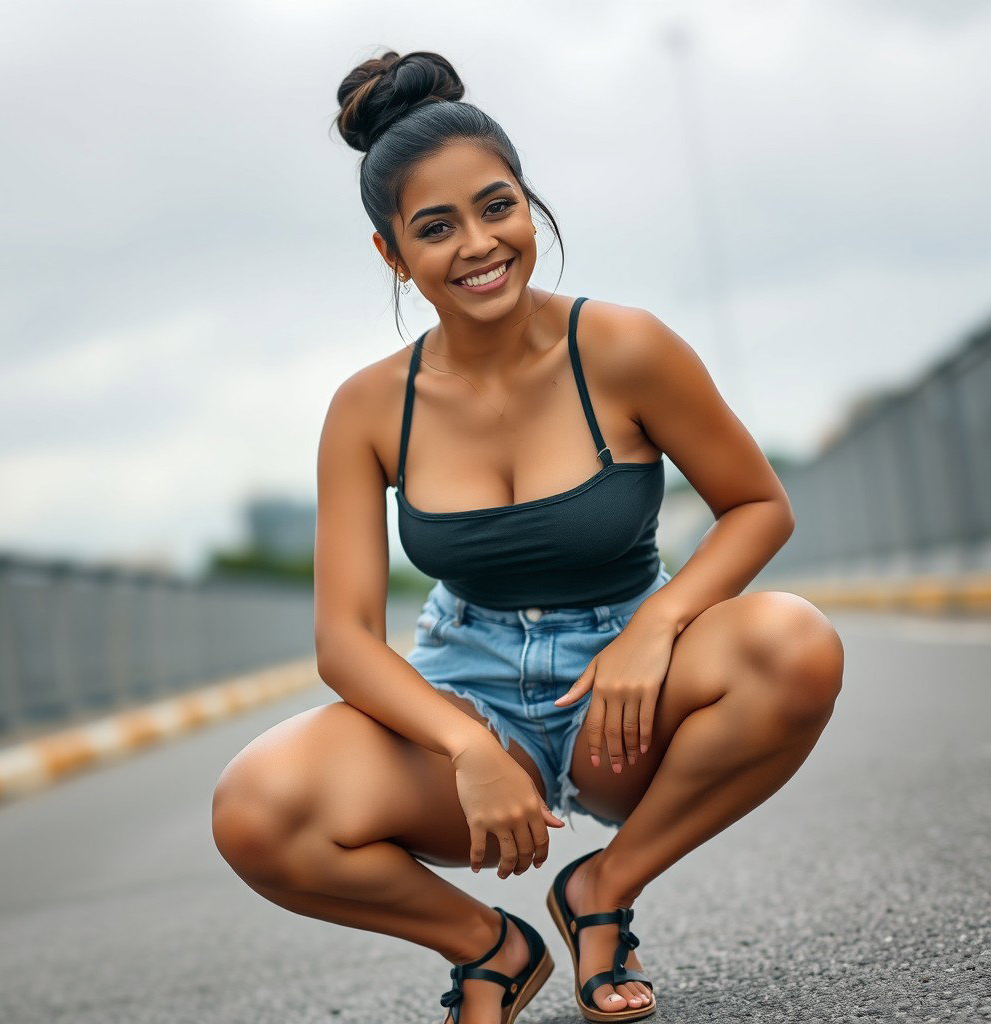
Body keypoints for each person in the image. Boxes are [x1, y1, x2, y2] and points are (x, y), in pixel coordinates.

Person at [211, 49, 845, 1024]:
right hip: (464, 684)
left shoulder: (625, 348)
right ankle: (490, 951)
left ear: (525, 202)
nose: (478, 244)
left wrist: (658, 626)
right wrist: (462, 743)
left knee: (794, 644)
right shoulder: (369, 409)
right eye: (436, 227)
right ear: (390, 254)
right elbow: (343, 640)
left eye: (497, 206)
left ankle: (602, 889)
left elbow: (758, 505)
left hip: (623, 692)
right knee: (254, 807)